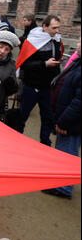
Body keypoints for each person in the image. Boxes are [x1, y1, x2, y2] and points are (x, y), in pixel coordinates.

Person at [43, 39, 81, 199]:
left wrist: (63, 121)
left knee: (67, 153)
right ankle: (60, 182)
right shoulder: (78, 62)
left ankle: (64, 188)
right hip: (68, 119)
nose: (78, 45)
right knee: (63, 151)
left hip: (71, 123)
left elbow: (79, 101)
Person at [17, 15, 63, 146]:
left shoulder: (57, 40)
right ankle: (15, 141)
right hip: (31, 87)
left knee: (48, 118)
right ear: (44, 27)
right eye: (54, 28)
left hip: (47, 88)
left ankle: (45, 144)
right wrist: (44, 64)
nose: (57, 31)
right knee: (22, 116)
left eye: (58, 28)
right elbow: (24, 64)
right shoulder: (31, 41)